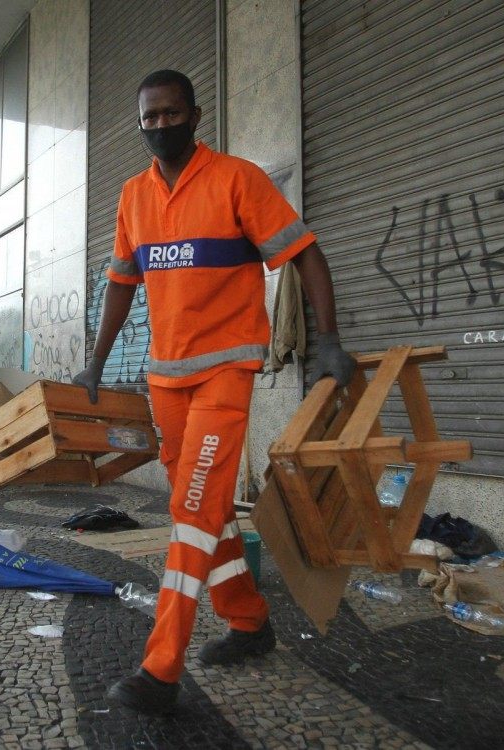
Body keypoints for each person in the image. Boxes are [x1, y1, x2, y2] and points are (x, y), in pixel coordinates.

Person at [73, 70, 355, 714]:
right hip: (164, 377)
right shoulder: (133, 196)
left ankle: (161, 665)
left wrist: (328, 340)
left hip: (225, 372)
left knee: (194, 508)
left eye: (172, 115)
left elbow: (305, 253)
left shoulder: (238, 179)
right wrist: (95, 362)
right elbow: (122, 281)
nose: (160, 126)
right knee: (201, 507)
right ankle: (249, 620)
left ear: (196, 116)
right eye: (150, 118)